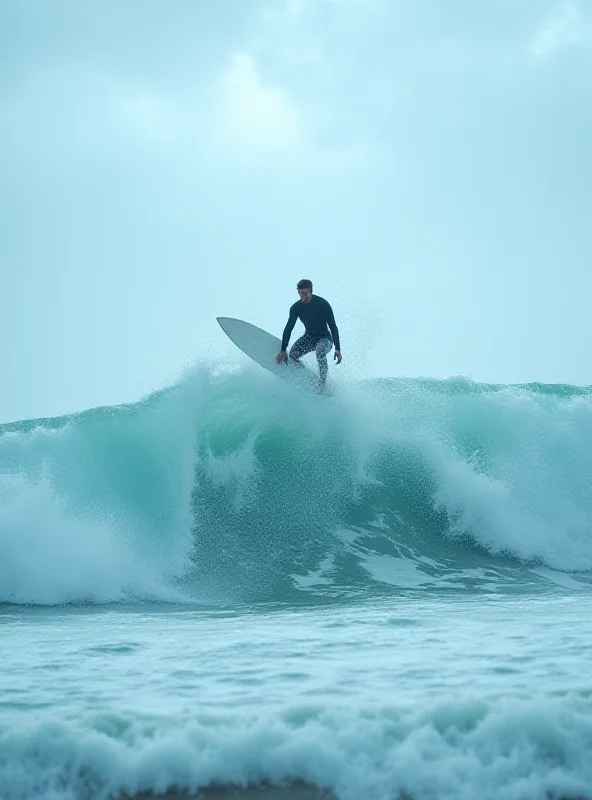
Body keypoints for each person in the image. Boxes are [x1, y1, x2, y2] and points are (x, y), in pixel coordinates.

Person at [276, 279, 342, 389]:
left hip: (325, 338)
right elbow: (288, 328)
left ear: (311, 291)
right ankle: (308, 378)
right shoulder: (296, 308)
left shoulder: (323, 304)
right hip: (309, 337)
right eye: (300, 293)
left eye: (304, 293)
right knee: (293, 355)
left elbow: (333, 327)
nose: (302, 296)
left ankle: (322, 384)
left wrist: (338, 349)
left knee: (320, 350)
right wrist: (283, 349)